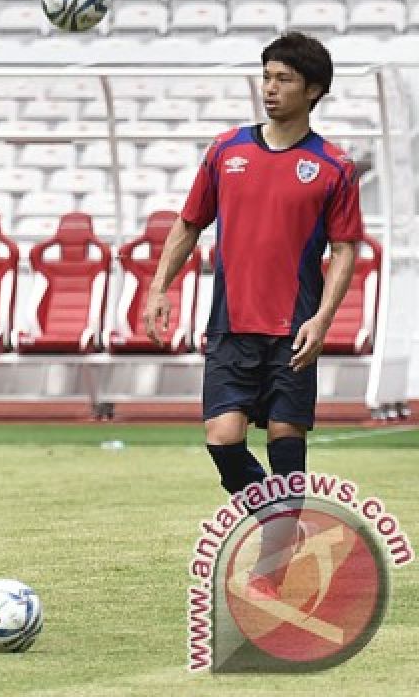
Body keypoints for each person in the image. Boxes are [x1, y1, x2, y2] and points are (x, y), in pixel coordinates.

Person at [142, 32, 364, 600]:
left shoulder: (333, 166)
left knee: (286, 441)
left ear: (314, 90)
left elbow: (343, 248)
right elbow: (189, 224)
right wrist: (159, 287)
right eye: (267, 75)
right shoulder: (225, 151)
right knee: (222, 438)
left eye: (285, 78)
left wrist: (323, 319)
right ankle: (286, 532)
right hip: (231, 326)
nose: (270, 88)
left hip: (294, 328)